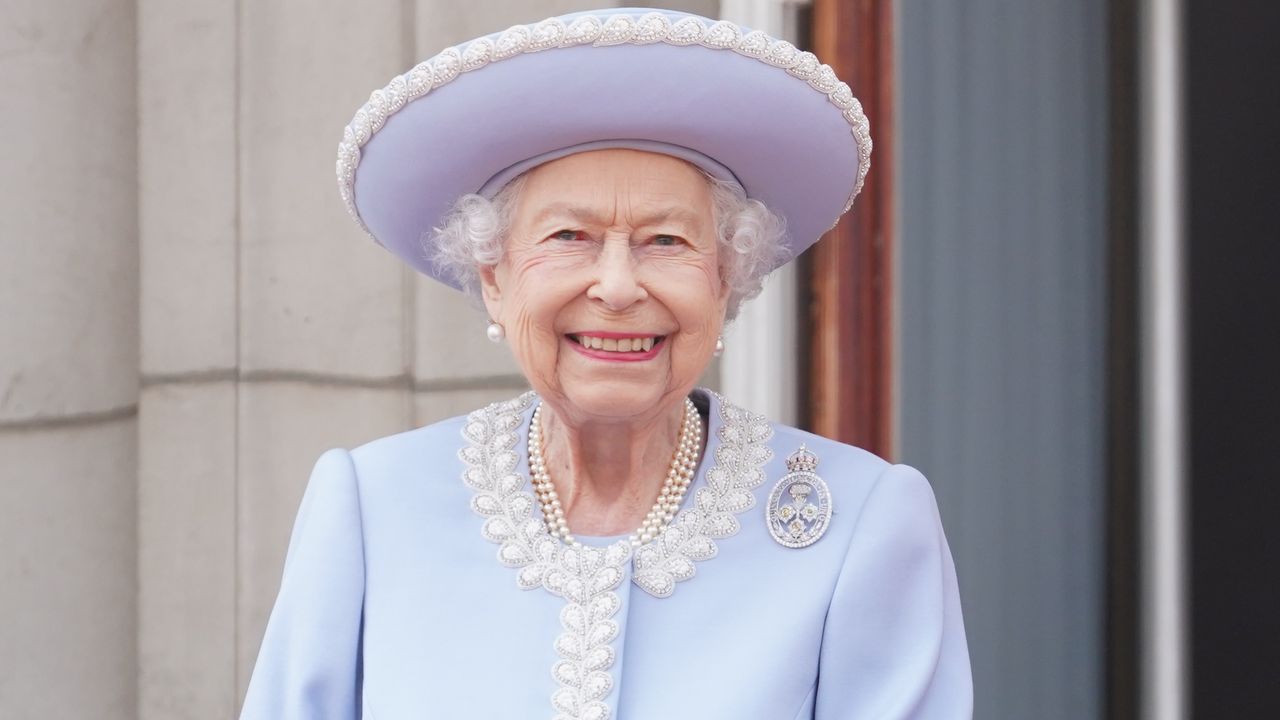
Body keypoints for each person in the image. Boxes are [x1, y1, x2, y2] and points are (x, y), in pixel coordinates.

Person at [241, 8, 971, 719]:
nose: (618, 286)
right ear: (494, 278)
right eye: (568, 236)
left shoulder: (860, 523)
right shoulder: (373, 507)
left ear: (725, 280)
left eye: (665, 241)